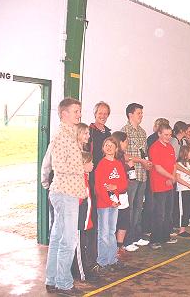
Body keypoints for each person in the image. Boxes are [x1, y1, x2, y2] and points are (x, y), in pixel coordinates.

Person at [45, 98, 87, 295]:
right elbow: (59, 166)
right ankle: (63, 283)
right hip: (65, 194)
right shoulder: (63, 135)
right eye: (76, 111)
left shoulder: (71, 134)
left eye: (79, 111)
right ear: (64, 114)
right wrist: (83, 168)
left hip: (65, 193)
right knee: (68, 241)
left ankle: (52, 279)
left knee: (57, 238)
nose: (79, 114)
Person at [41, 122, 90, 238]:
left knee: (70, 227)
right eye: (85, 133)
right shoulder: (60, 141)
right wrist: (46, 184)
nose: (88, 136)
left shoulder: (83, 150)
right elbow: (47, 163)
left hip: (76, 191)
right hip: (62, 189)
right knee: (59, 225)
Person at [92, 136, 128, 274]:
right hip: (104, 204)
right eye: (106, 145)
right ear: (103, 148)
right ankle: (102, 261)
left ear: (116, 148)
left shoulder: (118, 164)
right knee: (103, 233)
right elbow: (99, 188)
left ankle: (112, 259)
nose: (109, 147)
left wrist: (115, 187)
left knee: (111, 232)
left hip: (115, 204)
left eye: (111, 145)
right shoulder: (101, 164)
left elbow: (124, 184)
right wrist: (109, 202)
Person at [121, 103, 153, 251]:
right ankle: (127, 240)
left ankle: (136, 235)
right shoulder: (124, 131)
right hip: (131, 175)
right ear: (130, 114)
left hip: (142, 174)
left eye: (141, 113)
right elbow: (123, 155)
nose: (141, 115)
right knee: (130, 207)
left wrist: (146, 163)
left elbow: (144, 152)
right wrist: (140, 161)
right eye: (138, 113)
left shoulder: (142, 132)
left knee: (139, 207)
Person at [87, 101, 112, 270]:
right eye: (100, 113)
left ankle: (106, 252)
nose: (103, 116)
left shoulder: (109, 132)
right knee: (95, 217)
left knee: (106, 216)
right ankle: (94, 253)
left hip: (108, 178)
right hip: (94, 178)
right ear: (95, 113)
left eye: (105, 113)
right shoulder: (90, 131)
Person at [148, 124, 177, 250]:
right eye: (165, 134)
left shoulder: (170, 147)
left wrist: (173, 177)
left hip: (169, 184)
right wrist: (170, 177)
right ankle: (155, 239)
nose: (168, 137)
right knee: (159, 213)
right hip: (159, 185)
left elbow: (174, 164)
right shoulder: (154, 147)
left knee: (168, 212)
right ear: (159, 134)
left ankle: (166, 236)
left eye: (170, 135)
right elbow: (158, 167)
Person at [71, 151, 98, 283]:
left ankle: (80, 270)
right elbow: (78, 202)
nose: (93, 164)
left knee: (82, 246)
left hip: (84, 221)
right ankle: (82, 273)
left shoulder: (85, 178)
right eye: (90, 162)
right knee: (79, 248)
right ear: (83, 164)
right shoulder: (79, 181)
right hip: (79, 222)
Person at [142, 117, 169, 235]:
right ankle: (150, 228)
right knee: (154, 204)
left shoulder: (163, 142)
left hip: (158, 175)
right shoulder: (153, 141)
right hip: (155, 176)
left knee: (155, 204)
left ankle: (152, 228)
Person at [112, 131, 136, 253]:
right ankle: (114, 247)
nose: (127, 144)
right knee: (116, 220)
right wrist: (128, 167)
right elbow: (117, 172)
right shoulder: (114, 158)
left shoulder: (122, 156)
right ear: (120, 142)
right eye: (126, 141)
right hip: (115, 194)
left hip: (123, 192)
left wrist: (130, 167)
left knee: (124, 219)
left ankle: (120, 245)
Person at [175, 145, 190, 237]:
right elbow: (178, 178)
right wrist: (189, 185)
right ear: (184, 154)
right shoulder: (179, 164)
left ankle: (184, 227)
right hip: (183, 189)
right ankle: (181, 229)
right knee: (182, 210)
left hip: (189, 188)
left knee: (188, 209)